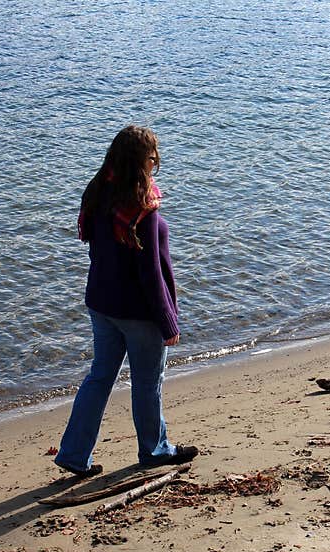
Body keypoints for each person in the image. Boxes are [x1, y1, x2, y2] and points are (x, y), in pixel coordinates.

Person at [54, 125, 198, 477]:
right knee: (148, 383)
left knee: (99, 377)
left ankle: (73, 454)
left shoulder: (99, 192)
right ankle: (154, 450)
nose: (156, 162)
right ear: (141, 160)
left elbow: (94, 246)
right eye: (153, 157)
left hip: (101, 304)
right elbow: (150, 272)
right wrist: (167, 321)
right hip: (137, 313)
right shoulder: (142, 206)